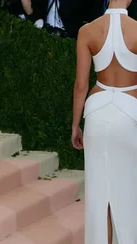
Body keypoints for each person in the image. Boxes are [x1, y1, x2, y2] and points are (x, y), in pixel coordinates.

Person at [71, 0, 137, 243]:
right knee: (128, 188)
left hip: (96, 111)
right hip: (130, 111)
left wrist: (75, 125)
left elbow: (81, 85)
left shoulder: (88, 31)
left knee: (99, 190)